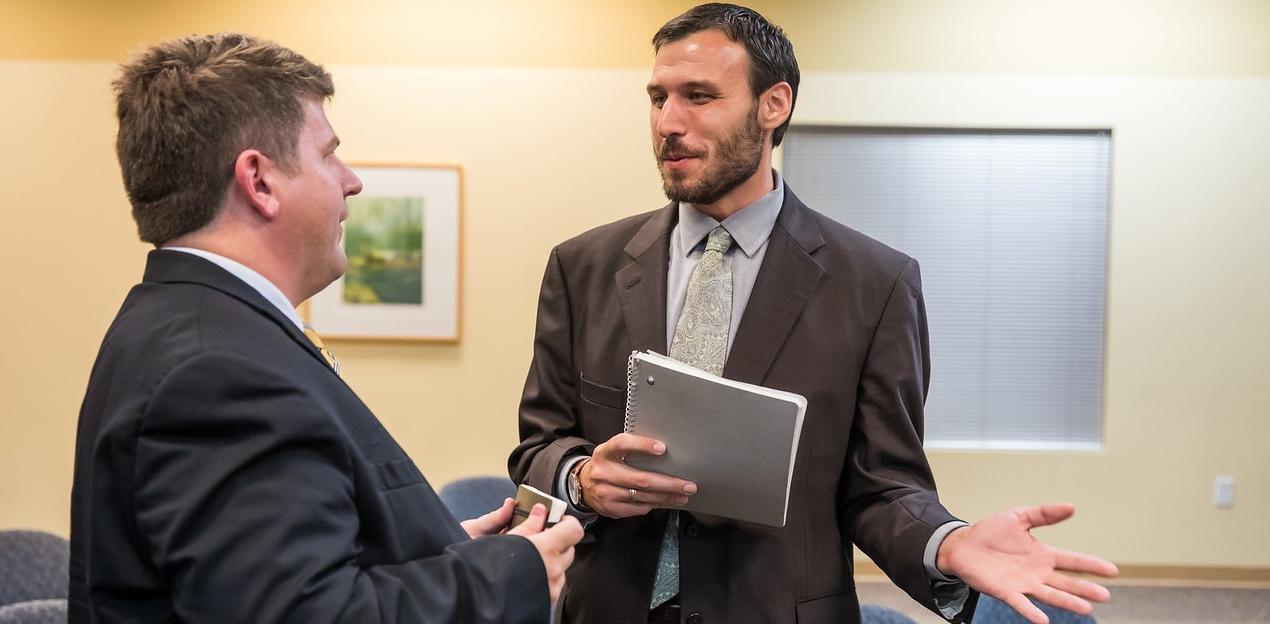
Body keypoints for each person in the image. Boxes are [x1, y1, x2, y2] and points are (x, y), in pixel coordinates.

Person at [509, 4, 1116, 624]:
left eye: (699, 96)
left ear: (774, 105)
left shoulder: (875, 284)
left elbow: (882, 486)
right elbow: (539, 444)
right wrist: (581, 479)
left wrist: (948, 541)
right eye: (657, 97)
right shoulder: (583, 266)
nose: (668, 122)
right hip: (605, 609)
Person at [69, 32, 582, 623]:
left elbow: (277, 569)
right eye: (328, 154)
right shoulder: (220, 372)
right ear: (259, 181)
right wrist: (506, 576)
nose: (351, 180)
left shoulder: (183, 320)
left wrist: (434, 550)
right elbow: (304, 614)